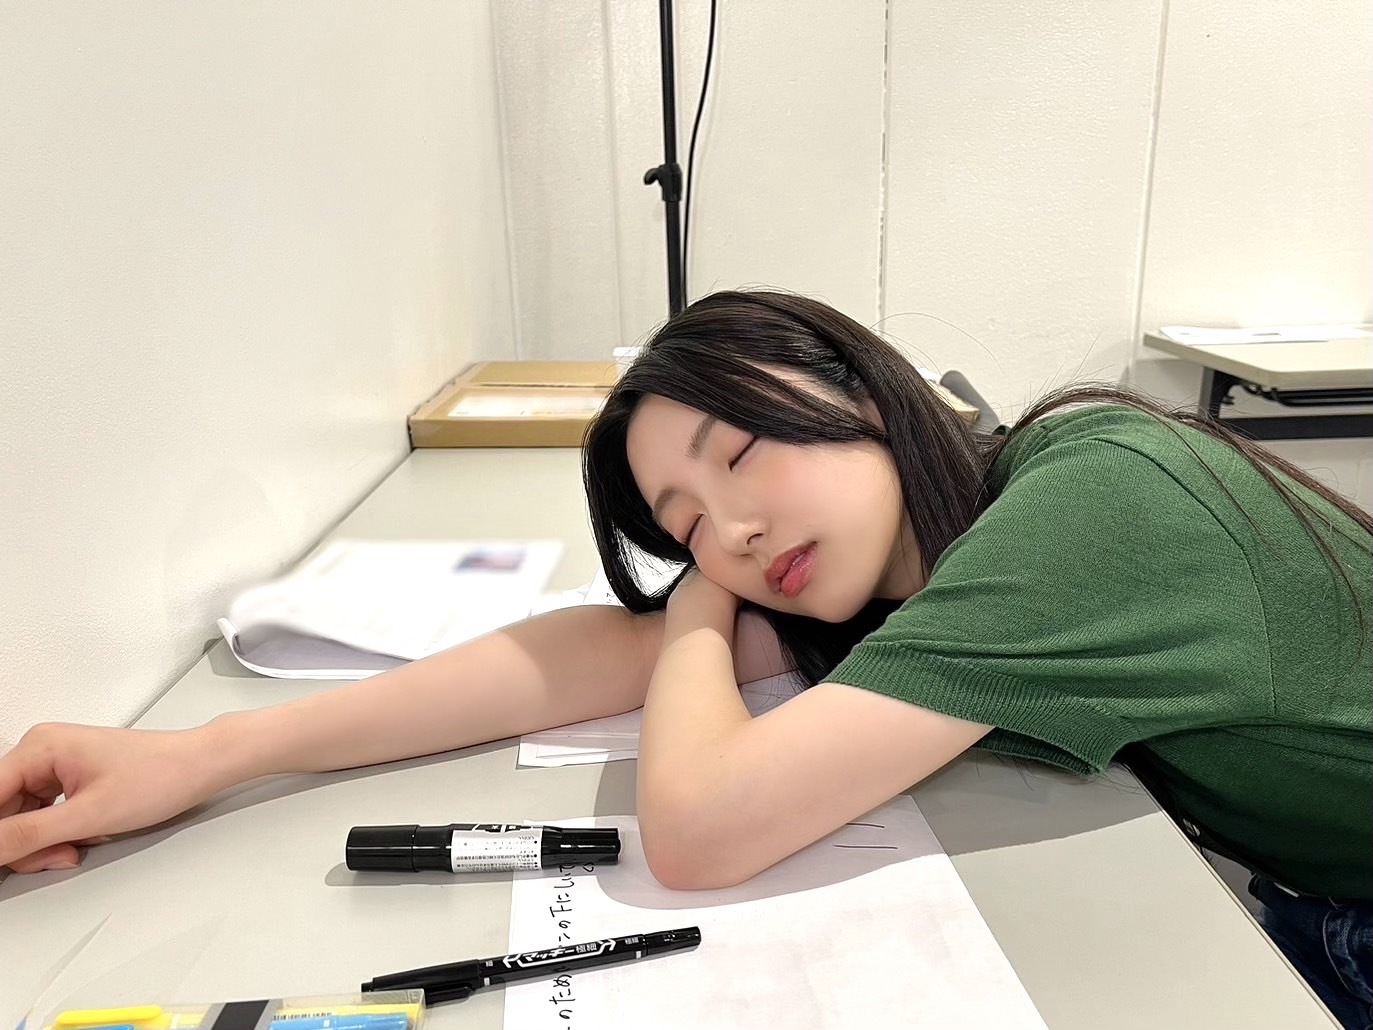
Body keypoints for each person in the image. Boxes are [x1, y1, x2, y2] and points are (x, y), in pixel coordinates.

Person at [2, 291, 1369, 1025]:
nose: (736, 529)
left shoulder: (1087, 510)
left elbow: (702, 827)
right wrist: (207, 752)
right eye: (684, 522)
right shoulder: (922, 550)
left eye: (740, 453)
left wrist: (700, 593)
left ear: (854, 386)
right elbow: (584, 656)